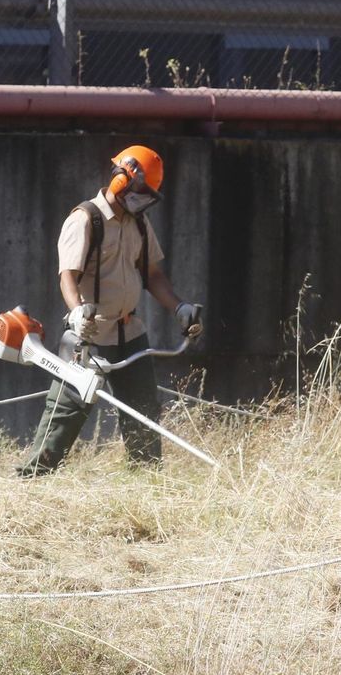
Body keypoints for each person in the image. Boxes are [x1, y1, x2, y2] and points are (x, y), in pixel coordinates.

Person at [16, 145, 202, 477]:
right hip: (89, 337)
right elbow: (67, 276)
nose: (142, 199)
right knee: (64, 415)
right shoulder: (85, 219)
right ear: (121, 179)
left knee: (143, 414)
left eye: (148, 195)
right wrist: (76, 312)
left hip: (131, 334)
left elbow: (153, 275)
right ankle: (31, 479)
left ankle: (146, 484)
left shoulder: (139, 224)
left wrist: (179, 308)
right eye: (140, 190)